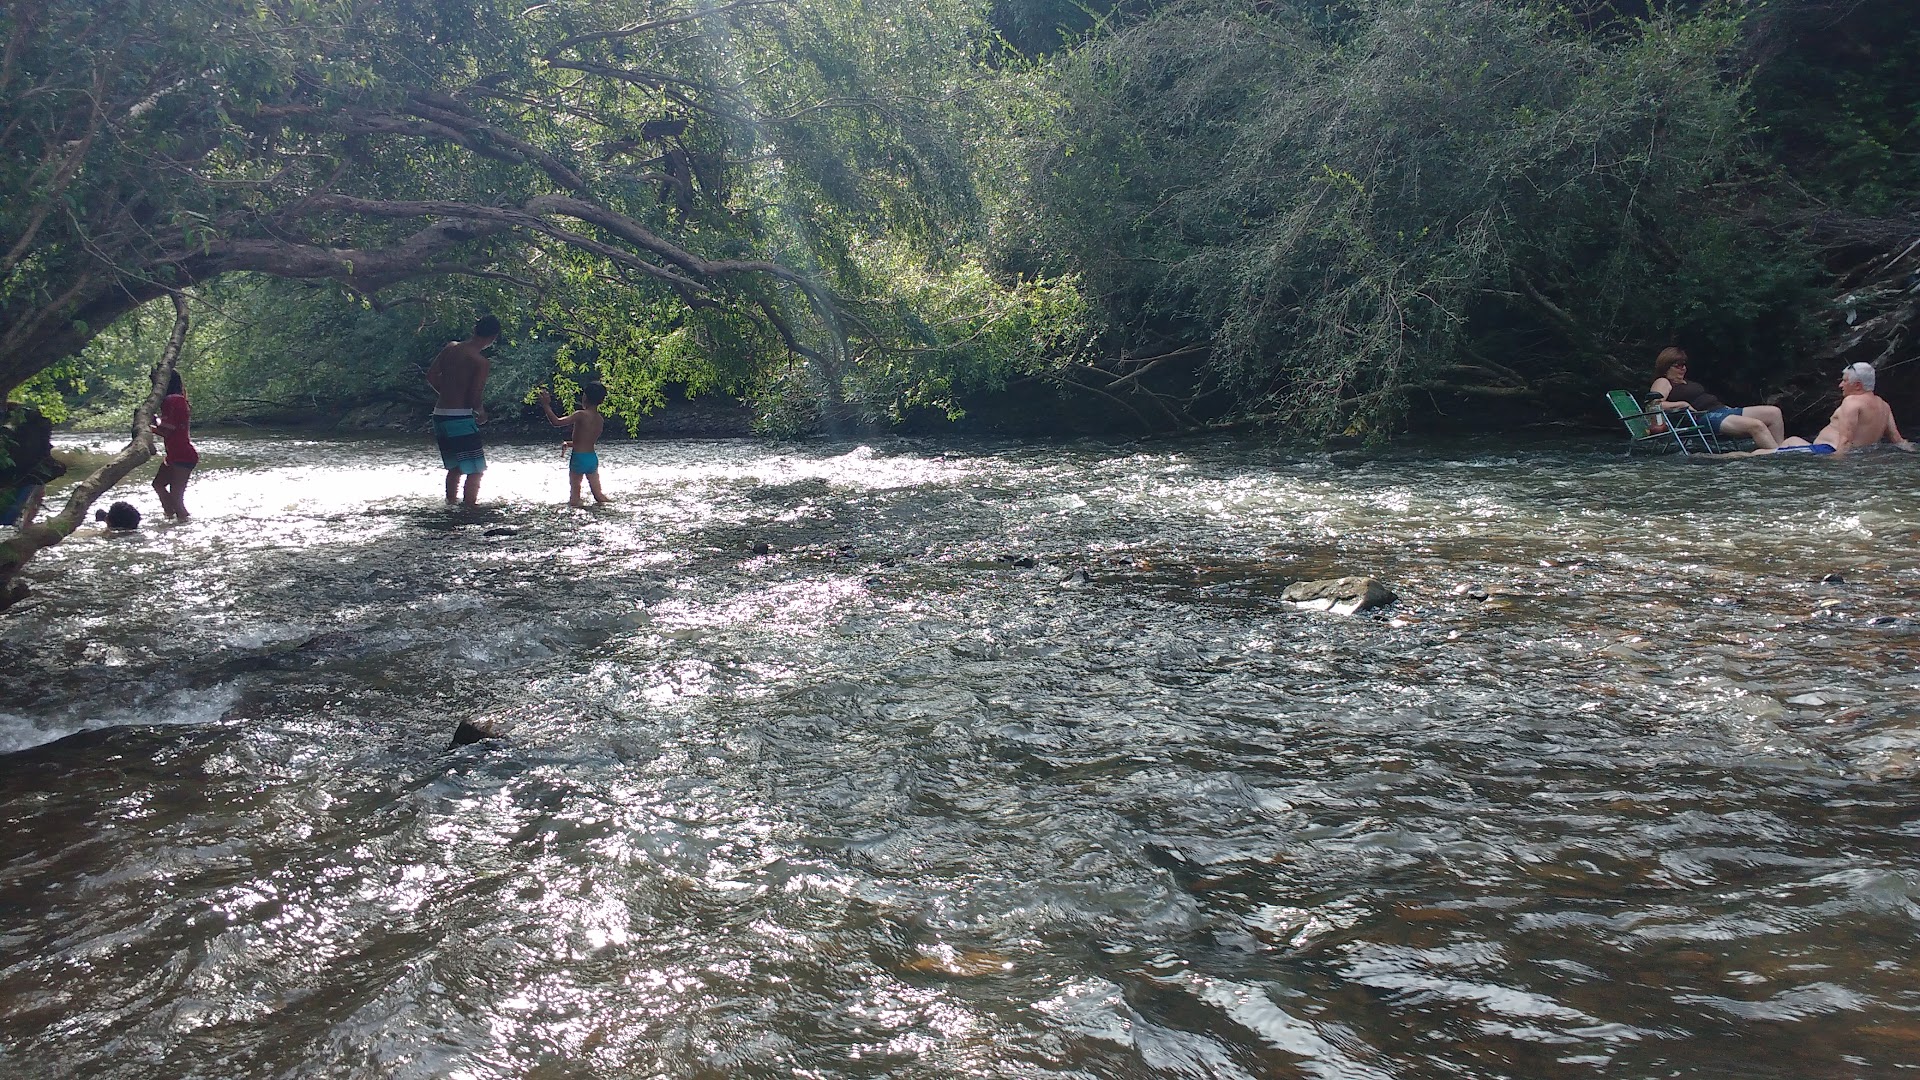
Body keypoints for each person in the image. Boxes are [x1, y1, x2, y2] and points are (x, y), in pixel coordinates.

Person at [1764, 362, 1914, 456]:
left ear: (1857, 385)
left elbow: (1846, 440)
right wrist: (1913, 453)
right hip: (1856, 454)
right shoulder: (1884, 406)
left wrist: (1836, 464)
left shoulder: (1852, 402)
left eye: (1845, 381)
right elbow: (1897, 440)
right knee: (1791, 440)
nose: (1840, 385)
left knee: (1758, 454)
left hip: (1828, 450)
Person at [426, 314, 499, 506]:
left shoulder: (451, 348)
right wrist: (481, 412)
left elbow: (431, 376)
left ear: (475, 330)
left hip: (439, 415)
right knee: (476, 470)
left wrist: (448, 394)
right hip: (459, 418)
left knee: (455, 467)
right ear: (493, 337)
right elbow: (475, 394)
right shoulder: (480, 362)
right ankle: (469, 509)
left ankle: (450, 504)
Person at [1649, 347, 1785, 450]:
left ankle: (1781, 450)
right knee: (1756, 425)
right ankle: (1775, 456)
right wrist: (1681, 404)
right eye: (1678, 365)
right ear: (1666, 367)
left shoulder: (1686, 382)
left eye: (1684, 364)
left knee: (1774, 412)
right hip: (1704, 417)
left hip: (1722, 410)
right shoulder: (1663, 381)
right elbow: (1653, 405)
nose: (1683, 368)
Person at [537, 383, 614, 507]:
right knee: (599, 495)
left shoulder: (580, 414)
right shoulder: (599, 419)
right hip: (591, 459)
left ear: (585, 397)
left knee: (574, 499)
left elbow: (556, 422)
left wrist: (546, 405)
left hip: (578, 458)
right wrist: (569, 444)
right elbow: (587, 441)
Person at [1, 403, 66, 528]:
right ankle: (26, 526)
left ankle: (25, 525)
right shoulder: (33, 427)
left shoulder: (26, 428)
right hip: (25, 475)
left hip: (23, 474)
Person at [149, 370, 199, 521]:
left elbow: (167, 431)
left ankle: (183, 524)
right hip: (175, 454)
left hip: (182, 455)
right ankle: (169, 518)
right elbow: (168, 426)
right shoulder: (178, 399)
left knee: (177, 499)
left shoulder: (172, 400)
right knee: (158, 484)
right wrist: (155, 421)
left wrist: (150, 427)